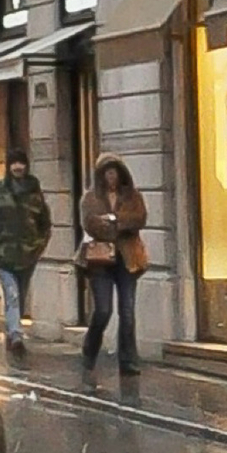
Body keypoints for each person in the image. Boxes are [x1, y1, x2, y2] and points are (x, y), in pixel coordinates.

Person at [0, 149, 52, 359]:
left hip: (28, 256)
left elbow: (45, 222)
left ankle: (10, 333)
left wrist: (39, 246)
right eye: (14, 163)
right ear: (9, 166)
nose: (18, 167)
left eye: (21, 163)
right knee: (12, 294)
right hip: (3, 255)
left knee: (20, 295)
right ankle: (16, 335)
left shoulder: (34, 191)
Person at [77, 154, 147, 381]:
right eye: (107, 173)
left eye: (114, 172)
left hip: (128, 260)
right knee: (103, 310)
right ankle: (90, 349)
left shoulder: (133, 197)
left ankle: (128, 360)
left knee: (127, 312)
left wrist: (115, 219)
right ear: (101, 175)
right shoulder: (90, 198)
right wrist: (114, 225)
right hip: (101, 263)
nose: (111, 177)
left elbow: (139, 219)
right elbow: (90, 223)